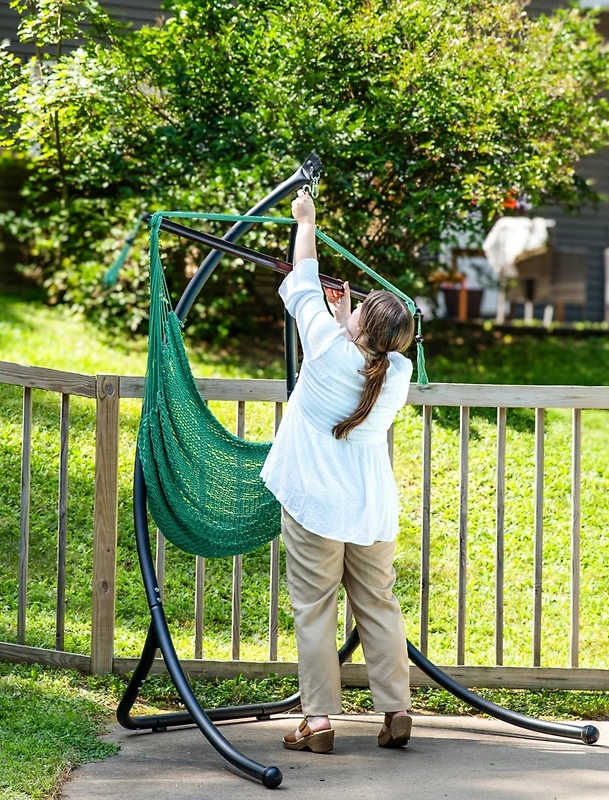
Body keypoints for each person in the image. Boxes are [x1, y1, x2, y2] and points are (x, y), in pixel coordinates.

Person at [260, 189, 416, 754]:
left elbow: (304, 275)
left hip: (317, 506)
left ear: (355, 325)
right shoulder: (397, 373)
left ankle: (319, 722)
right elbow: (372, 349)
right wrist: (349, 314)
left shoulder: (325, 345)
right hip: (370, 508)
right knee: (378, 602)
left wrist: (307, 219)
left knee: (315, 608)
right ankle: (396, 709)